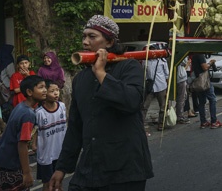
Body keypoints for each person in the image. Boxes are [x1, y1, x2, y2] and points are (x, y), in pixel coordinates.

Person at [49, 14, 153, 191]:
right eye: (84, 36)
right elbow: (75, 127)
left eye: (92, 36)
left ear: (109, 42)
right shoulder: (80, 79)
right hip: (91, 167)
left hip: (125, 169)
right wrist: (62, 167)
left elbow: (131, 102)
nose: (85, 42)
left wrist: (101, 74)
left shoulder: (129, 66)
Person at [0, 75, 46, 190]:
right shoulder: (28, 114)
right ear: (29, 92)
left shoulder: (21, 106)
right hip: (8, 163)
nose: (45, 90)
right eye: (41, 87)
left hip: (0, 158)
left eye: (45, 87)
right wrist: (27, 172)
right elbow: (22, 144)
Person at [33, 81, 66, 191]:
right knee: (48, 184)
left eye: (57, 90)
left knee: (59, 182)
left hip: (60, 152)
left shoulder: (62, 106)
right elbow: (35, 130)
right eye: (52, 91)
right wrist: (34, 144)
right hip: (46, 154)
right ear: (45, 94)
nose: (56, 93)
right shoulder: (39, 113)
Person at [191, 53, 222, 129]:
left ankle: (203, 122)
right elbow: (205, 67)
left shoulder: (194, 56)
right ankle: (214, 121)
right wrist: (211, 63)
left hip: (198, 81)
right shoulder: (200, 55)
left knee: (202, 101)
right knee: (212, 99)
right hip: (205, 81)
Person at [141, 55, 169, 132]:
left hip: (161, 86)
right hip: (150, 87)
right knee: (144, 106)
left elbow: (167, 75)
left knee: (163, 107)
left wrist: (167, 89)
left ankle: (161, 124)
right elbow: (144, 74)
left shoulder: (162, 61)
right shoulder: (145, 61)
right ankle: (140, 124)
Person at [175, 57, 191, 124]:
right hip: (180, 78)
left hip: (181, 77)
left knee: (183, 97)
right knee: (181, 98)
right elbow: (185, 63)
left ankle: (180, 115)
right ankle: (180, 116)